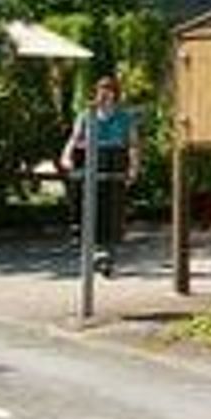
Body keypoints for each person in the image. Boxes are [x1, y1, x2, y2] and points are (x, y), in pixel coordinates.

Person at [62, 75, 141, 274]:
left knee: (111, 209)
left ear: (115, 95)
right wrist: (66, 157)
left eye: (109, 91)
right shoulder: (86, 115)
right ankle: (88, 244)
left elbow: (133, 144)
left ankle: (107, 255)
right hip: (91, 160)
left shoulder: (124, 117)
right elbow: (74, 139)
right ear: (97, 93)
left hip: (115, 161)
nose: (105, 95)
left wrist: (133, 167)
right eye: (101, 90)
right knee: (89, 205)